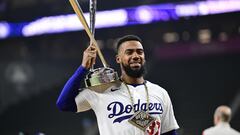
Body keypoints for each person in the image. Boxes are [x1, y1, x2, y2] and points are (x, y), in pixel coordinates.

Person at [56, 35, 179, 135]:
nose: (135, 56)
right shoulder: (102, 91)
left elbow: (169, 132)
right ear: (118, 59)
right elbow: (64, 104)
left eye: (139, 52)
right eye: (129, 52)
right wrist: (83, 68)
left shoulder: (160, 92)